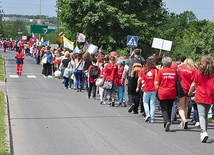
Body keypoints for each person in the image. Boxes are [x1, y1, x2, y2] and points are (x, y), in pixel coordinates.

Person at [188, 55, 214, 143]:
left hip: (200, 95)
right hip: (210, 96)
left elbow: (193, 84)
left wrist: (190, 92)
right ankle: (204, 132)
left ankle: (204, 132)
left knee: (201, 115)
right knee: (206, 115)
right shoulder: (213, 73)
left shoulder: (198, 72)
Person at [156, 57, 177, 132]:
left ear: (164, 64)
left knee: (164, 108)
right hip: (172, 92)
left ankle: (167, 121)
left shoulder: (161, 71)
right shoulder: (174, 72)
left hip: (163, 92)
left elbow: (157, 82)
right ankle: (167, 123)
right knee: (169, 108)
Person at [136, 57, 158, 123]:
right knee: (152, 104)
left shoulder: (144, 70)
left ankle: (147, 114)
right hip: (154, 89)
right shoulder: (156, 70)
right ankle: (152, 118)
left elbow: (141, 80)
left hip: (146, 89)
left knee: (145, 102)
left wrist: (138, 87)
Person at [177, 58, 196, 129]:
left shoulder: (181, 68)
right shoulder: (193, 70)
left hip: (181, 88)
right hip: (189, 89)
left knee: (180, 107)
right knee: (185, 106)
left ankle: (184, 120)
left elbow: (178, 78)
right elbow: (195, 80)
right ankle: (183, 122)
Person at [127, 48, 145, 114]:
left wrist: (131, 55)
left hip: (131, 76)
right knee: (137, 93)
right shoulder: (141, 60)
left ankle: (131, 102)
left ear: (134, 53)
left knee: (130, 92)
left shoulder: (130, 59)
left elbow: (127, 62)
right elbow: (144, 63)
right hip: (139, 77)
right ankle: (136, 109)